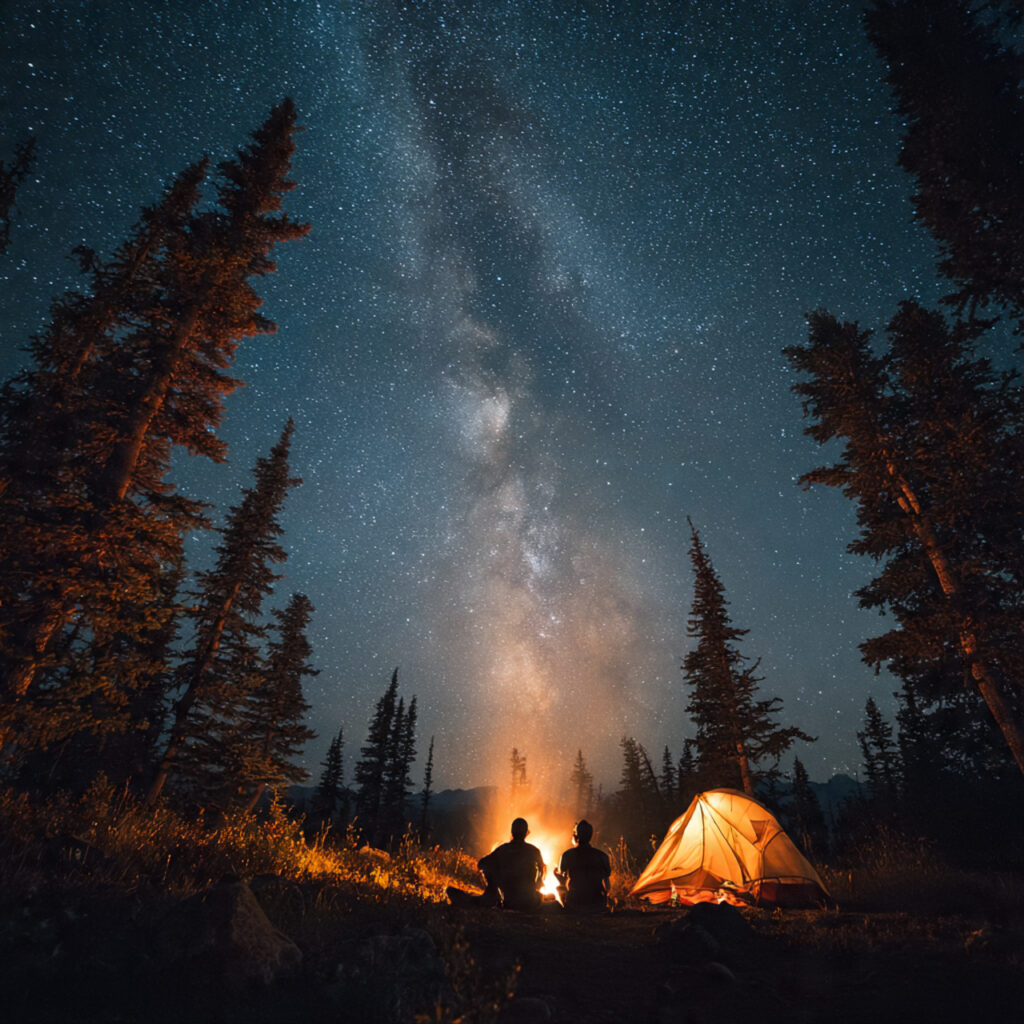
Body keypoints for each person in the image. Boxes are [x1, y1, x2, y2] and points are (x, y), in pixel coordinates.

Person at [446, 817, 546, 911]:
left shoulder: (502, 850)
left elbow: (482, 864)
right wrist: (538, 882)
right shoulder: (534, 851)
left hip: (508, 901)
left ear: (512, 832)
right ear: (526, 833)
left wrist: (493, 877)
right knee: (546, 898)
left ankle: (476, 899)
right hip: (530, 902)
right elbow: (542, 871)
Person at [555, 819, 611, 912]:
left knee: (559, 888)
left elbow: (562, 880)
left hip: (574, 903)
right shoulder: (602, 856)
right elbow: (607, 886)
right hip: (597, 904)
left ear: (575, 836)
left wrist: (557, 876)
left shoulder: (567, 855)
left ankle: (566, 909)